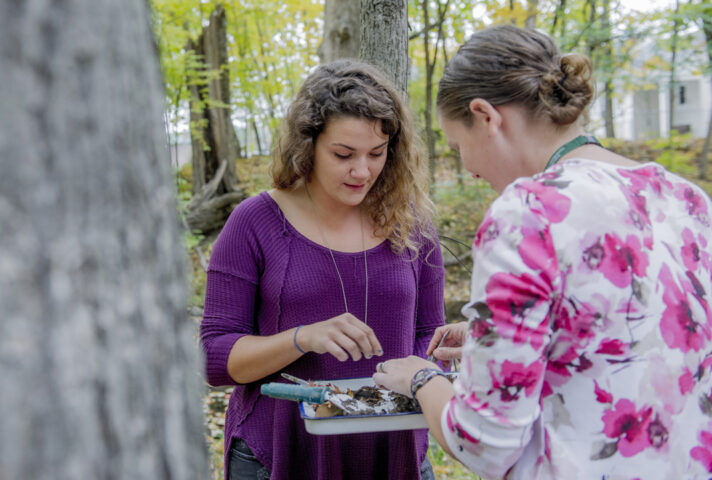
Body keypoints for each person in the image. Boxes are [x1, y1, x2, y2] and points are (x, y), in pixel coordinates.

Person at [374, 24, 712, 479]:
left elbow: (484, 441)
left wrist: (421, 379)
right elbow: (641, 342)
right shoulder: (687, 200)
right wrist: (489, 342)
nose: (468, 168)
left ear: (486, 117)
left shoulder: (527, 211)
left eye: (458, 147)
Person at [200, 59, 445, 480]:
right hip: (280, 455)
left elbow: (429, 334)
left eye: (377, 154)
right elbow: (216, 358)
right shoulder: (255, 222)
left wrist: (420, 375)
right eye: (343, 154)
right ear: (307, 146)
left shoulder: (413, 225)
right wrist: (302, 338)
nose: (362, 171)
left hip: (395, 451)